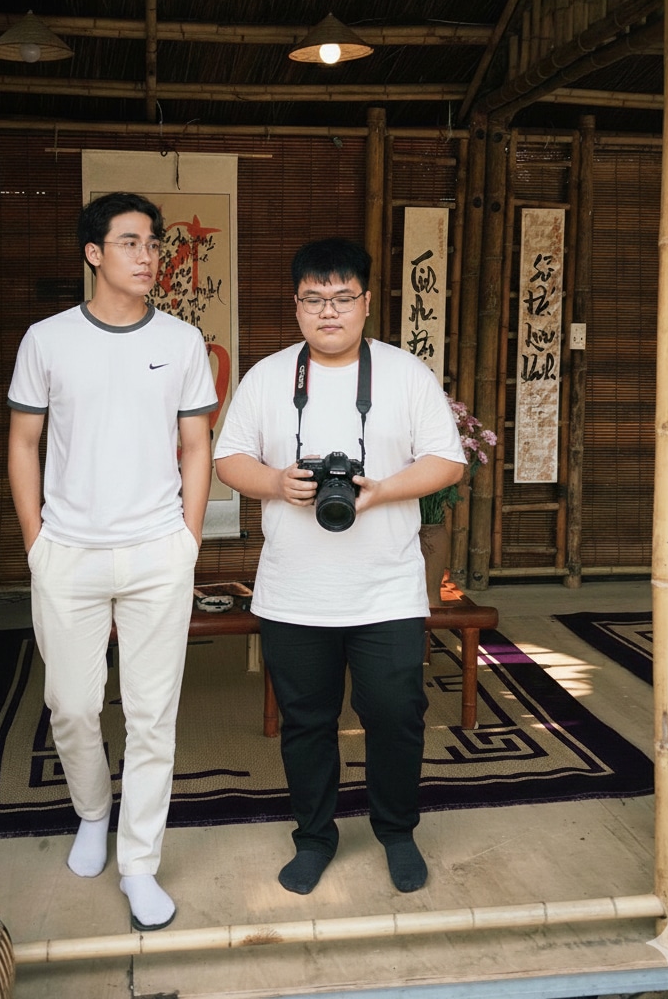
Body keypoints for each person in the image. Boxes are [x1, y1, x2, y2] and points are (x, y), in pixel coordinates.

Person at [214, 237, 465, 896]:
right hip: (294, 593)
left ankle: (397, 831)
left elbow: (448, 461)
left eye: (342, 297)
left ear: (366, 302)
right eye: (314, 298)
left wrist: (382, 491)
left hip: (386, 591)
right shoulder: (267, 376)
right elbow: (228, 459)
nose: (329, 310)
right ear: (296, 305)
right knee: (306, 724)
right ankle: (314, 837)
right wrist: (276, 482)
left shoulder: (405, 374)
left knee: (396, 715)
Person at [7, 191, 216, 932]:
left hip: (159, 552)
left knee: (154, 716)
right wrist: (37, 544)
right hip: (69, 553)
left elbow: (197, 445)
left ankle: (139, 864)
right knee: (72, 705)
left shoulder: (183, 342)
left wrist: (188, 540)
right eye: (130, 242)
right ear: (93, 253)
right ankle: (93, 811)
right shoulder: (47, 340)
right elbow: (23, 443)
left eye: (153, 243)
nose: (148, 256)